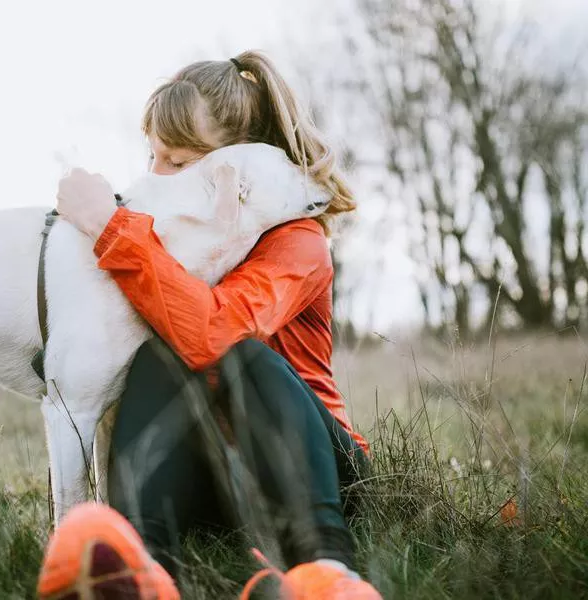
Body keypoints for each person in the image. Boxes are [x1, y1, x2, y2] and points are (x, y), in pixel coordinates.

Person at [36, 51, 381, 599]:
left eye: (178, 162)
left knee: (238, 353)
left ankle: (326, 571)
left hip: (317, 472)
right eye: (153, 156)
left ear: (240, 164)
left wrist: (111, 228)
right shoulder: (174, 235)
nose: (157, 177)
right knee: (153, 354)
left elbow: (213, 335)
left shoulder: (297, 242)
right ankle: (139, 571)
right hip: (214, 479)